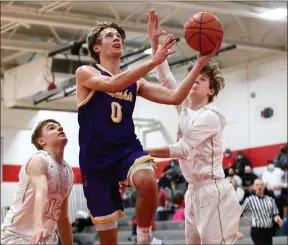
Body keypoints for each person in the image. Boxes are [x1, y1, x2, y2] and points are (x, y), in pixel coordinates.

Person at [75, 18, 218, 245]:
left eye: (119, 36)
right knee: (108, 240)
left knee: (149, 181)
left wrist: (200, 63)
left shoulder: (137, 83)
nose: (116, 38)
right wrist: (153, 61)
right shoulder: (85, 72)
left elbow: (175, 96)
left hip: (126, 150)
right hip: (95, 159)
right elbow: (112, 85)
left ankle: (144, 238)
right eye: (110, 35)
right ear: (96, 47)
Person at [144, 9, 242, 244]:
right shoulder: (184, 109)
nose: (195, 80)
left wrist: (141, 152)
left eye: (202, 79)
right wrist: (154, 41)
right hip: (193, 190)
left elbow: (183, 148)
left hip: (213, 190)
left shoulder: (212, 116)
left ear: (211, 90)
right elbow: (166, 78)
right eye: (193, 78)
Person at [1, 119, 74, 245]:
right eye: (52, 128)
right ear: (41, 141)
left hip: (47, 239)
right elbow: (41, 192)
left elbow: (62, 217)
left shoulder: (69, 172)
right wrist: (38, 225)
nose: (60, 129)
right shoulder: (39, 161)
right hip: (17, 236)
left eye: (60, 127)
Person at [241, 179, 283, 245]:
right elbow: (239, 214)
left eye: (261, 185)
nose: (259, 186)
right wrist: (237, 230)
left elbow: (275, 214)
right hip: (257, 230)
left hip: (269, 230)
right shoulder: (249, 200)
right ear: (254, 187)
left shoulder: (270, 199)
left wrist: (277, 218)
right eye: (257, 185)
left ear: (264, 187)